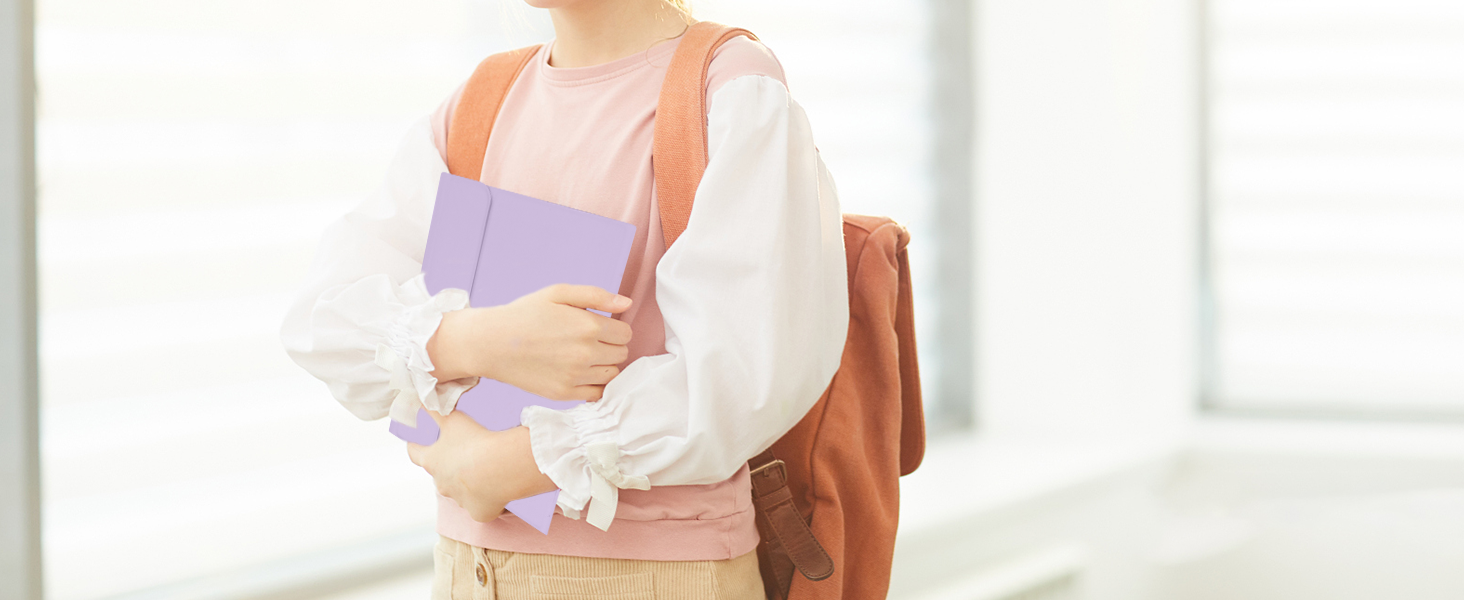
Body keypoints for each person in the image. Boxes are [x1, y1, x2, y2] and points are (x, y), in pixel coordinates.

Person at [279, 0, 848, 596]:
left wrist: (506, 464)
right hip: (468, 566)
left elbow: (744, 370)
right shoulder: (482, 101)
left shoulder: (728, 87)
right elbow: (323, 318)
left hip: (658, 573)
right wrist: (478, 340)